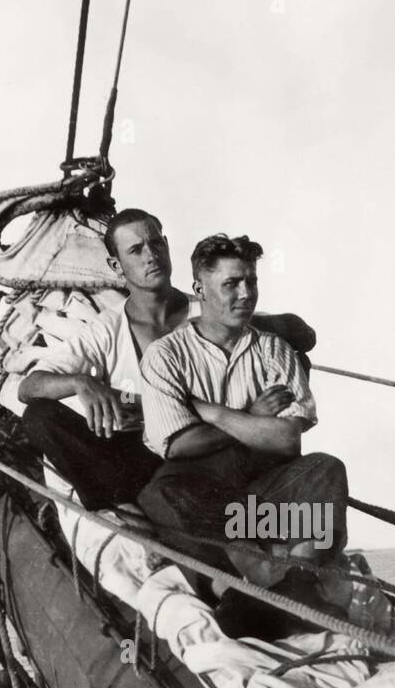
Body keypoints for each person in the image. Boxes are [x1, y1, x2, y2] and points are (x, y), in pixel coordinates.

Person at [17, 209, 316, 510]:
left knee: (291, 361)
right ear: (116, 265)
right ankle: (126, 510)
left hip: (209, 448)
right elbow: (28, 387)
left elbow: (304, 334)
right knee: (40, 417)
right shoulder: (108, 330)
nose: (151, 256)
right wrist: (80, 382)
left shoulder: (210, 308)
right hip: (139, 455)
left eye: (157, 244)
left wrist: (255, 327)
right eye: (136, 250)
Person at [137, 233, 349, 610]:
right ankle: (230, 594)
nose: (246, 293)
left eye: (251, 281)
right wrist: (254, 419)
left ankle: (300, 581)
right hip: (205, 505)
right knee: (160, 495)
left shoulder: (273, 350)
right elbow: (178, 445)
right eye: (231, 284)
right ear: (199, 288)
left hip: (253, 511)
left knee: (326, 469)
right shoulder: (165, 356)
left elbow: (286, 440)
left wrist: (211, 412)